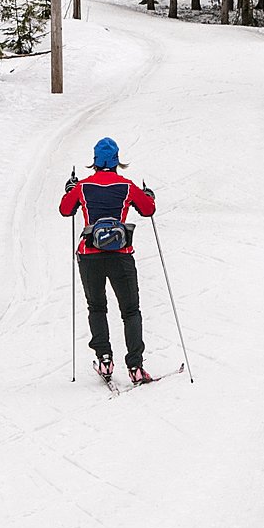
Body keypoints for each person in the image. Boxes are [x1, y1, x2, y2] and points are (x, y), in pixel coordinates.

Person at [59, 138, 157, 384]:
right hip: (121, 256)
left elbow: (65, 210)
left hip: (89, 255)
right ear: (116, 161)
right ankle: (135, 367)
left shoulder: (83, 186)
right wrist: (148, 195)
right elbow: (148, 210)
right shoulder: (126, 186)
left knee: (97, 307)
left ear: (94, 161)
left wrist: (70, 189)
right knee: (130, 311)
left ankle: (104, 359)